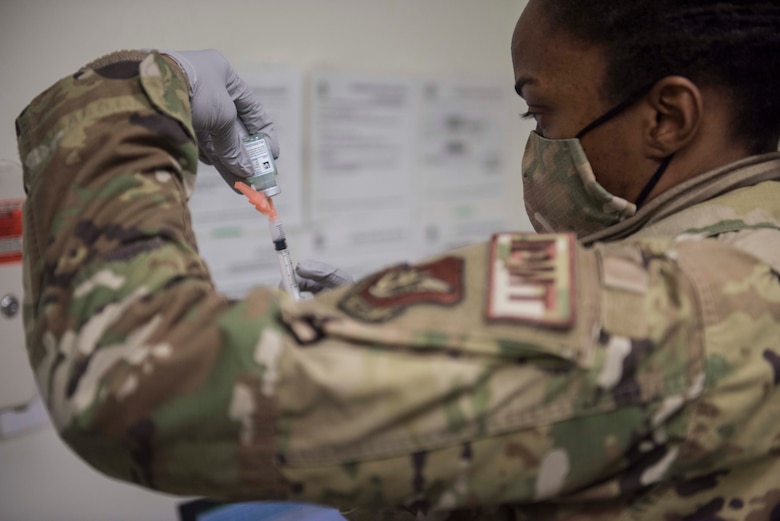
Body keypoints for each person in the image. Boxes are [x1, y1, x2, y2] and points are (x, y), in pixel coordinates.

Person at [14, 0, 780, 519]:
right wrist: (388, 354)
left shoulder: (654, 306)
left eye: (539, 111)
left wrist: (136, 100)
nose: (536, 144)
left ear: (668, 117)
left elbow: (133, 381)